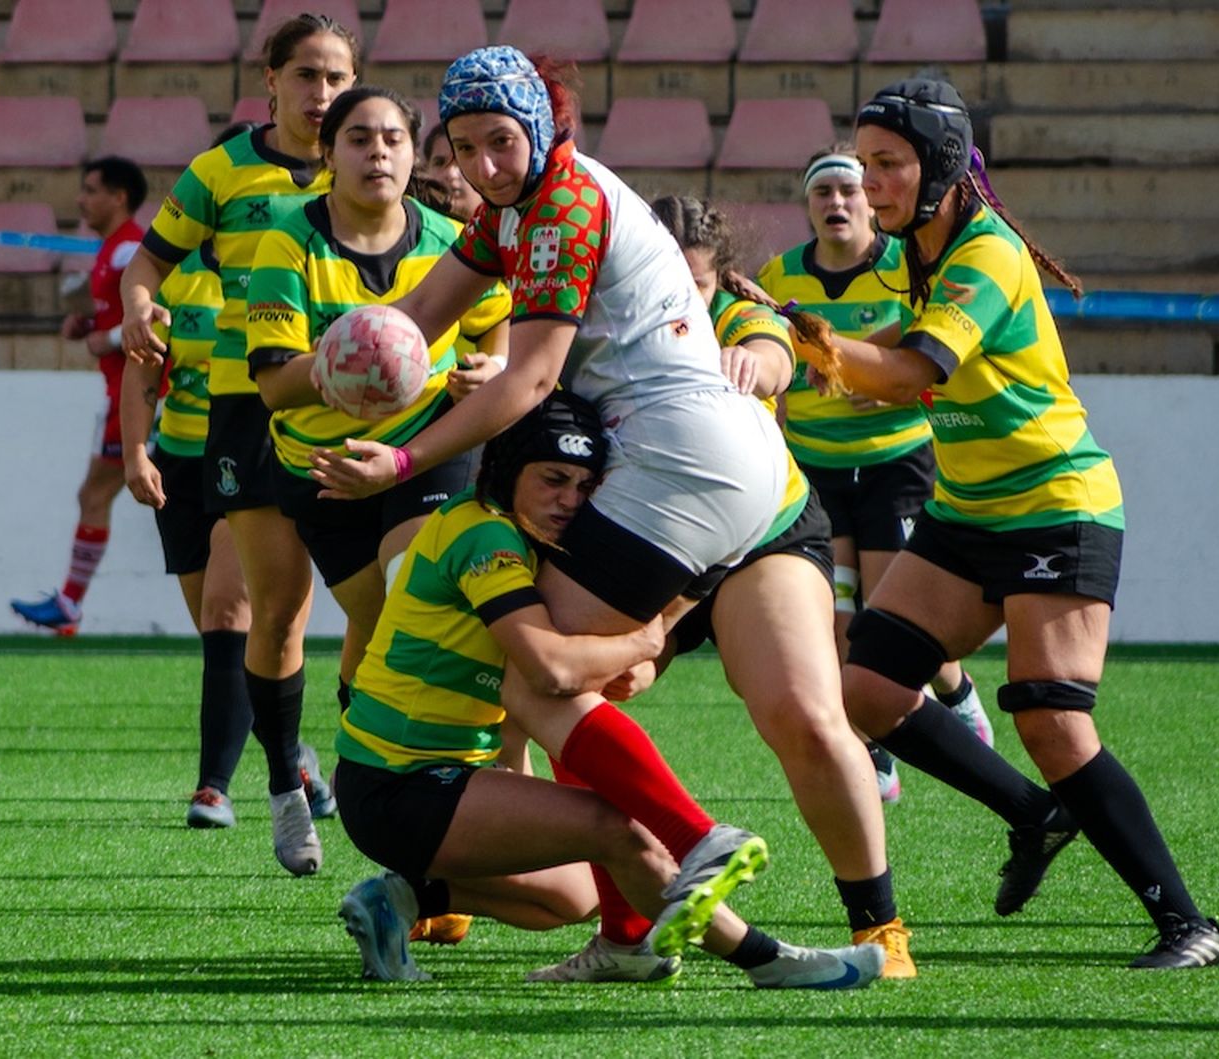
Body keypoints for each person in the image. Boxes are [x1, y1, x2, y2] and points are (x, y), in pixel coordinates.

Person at [306, 47, 795, 957]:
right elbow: (422, 311)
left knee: (544, 672)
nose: (484, 166)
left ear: (542, 125)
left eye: (501, 141)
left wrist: (403, 458)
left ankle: (694, 841)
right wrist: (350, 361)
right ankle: (626, 931)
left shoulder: (562, 206)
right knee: (576, 680)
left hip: (677, 460)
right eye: (463, 148)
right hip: (725, 462)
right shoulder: (518, 209)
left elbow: (529, 381)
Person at [811, 78, 1219, 968]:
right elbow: (886, 363)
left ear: (940, 167)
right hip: (968, 509)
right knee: (867, 688)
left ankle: (1190, 925)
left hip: (1055, 504)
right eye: (863, 162)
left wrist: (817, 343)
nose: (869, 182)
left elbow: (913, 372)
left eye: (888, 164)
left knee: (1051, 722)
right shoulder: (907, 255)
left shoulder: (987, 254)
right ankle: (1035, 815)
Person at [334, 392, 883, 989]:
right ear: (505, 472)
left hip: (422, 776)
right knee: (624, 832)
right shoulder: (484, 536)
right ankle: (769, 960)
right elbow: (551, 670)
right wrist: (644, 642)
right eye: (552, 479)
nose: (570, 500)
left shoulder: (519, 533)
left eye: (584, 485)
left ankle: (402, 898)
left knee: (576, 895)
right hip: (400, 786)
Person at [643, 194, 913, 978]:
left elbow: (772, 354)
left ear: (718, 279)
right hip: (651, 544)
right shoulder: (601, 321)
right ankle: (461, 885)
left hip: (761, 532)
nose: (679, 300)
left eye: (695, 285)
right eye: (665, 282)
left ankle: (879, 924)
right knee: (560, 692)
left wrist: (754, 364)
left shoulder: (737, 316)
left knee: (806, 714)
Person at [119, 13, 359, 875]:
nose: (322, 93)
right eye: (306, 75)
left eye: (337, 77)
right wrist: (138, 306)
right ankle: (286, 779)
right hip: (246, 405)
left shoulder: (367, 161)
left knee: (376, 606)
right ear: (272, 81)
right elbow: (146, 263)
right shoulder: (219, 172)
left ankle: (369, 772)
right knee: (266, 611)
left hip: (356, 411)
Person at [246, 84, 510, 751]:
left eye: (393, 140)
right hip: (323, 467)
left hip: (429, 444)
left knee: (418, 602)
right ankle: (368, 760)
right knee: (384, 628)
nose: (378, 154)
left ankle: (471, 771)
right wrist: (350, 363)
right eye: (359, 139)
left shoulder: (452, 239)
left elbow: (498, 319)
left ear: (413, 155)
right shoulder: (288, 244)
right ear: (329, 154)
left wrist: (495, 365)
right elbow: (274, 386)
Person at [756, 143, 993, 803]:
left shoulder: (903, 267)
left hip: (895, 464)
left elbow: (932, 347)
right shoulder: (779, 276)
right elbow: (769, 352)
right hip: (818, 468)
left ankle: (956, 691)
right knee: (839, 619)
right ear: (808, 205)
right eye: (822, 192)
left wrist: (885, 382)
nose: (837, 202)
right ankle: (876, 754)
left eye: (848, 190)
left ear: (868, 200)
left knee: (892, 613)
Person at [119, 236, 253, 828]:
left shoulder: (281, 262)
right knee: (220, 636)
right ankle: (288, 745)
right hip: (179, 464)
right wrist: (136, 453)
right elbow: (144, 370)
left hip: (251, 462)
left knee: (227, 615)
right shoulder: (176, 276)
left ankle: (212, 788)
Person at [11, 157, 147, 634]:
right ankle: (69, 604)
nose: (80, 200)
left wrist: (104, 338)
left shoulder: (130, 250)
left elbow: (159, 314)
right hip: (123, 393)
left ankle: (70, 605)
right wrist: (90, 321)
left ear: (119, 197)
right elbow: (118, 312)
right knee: (96, 493)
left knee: (95, 493)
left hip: (137, 395)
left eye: (91, 190)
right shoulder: (112, 249)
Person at [420, 121, 482, 222]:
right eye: (439, 163)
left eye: (461, 162)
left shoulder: (506, 227)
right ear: (425, 170)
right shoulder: (413, 228)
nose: (450, 174)